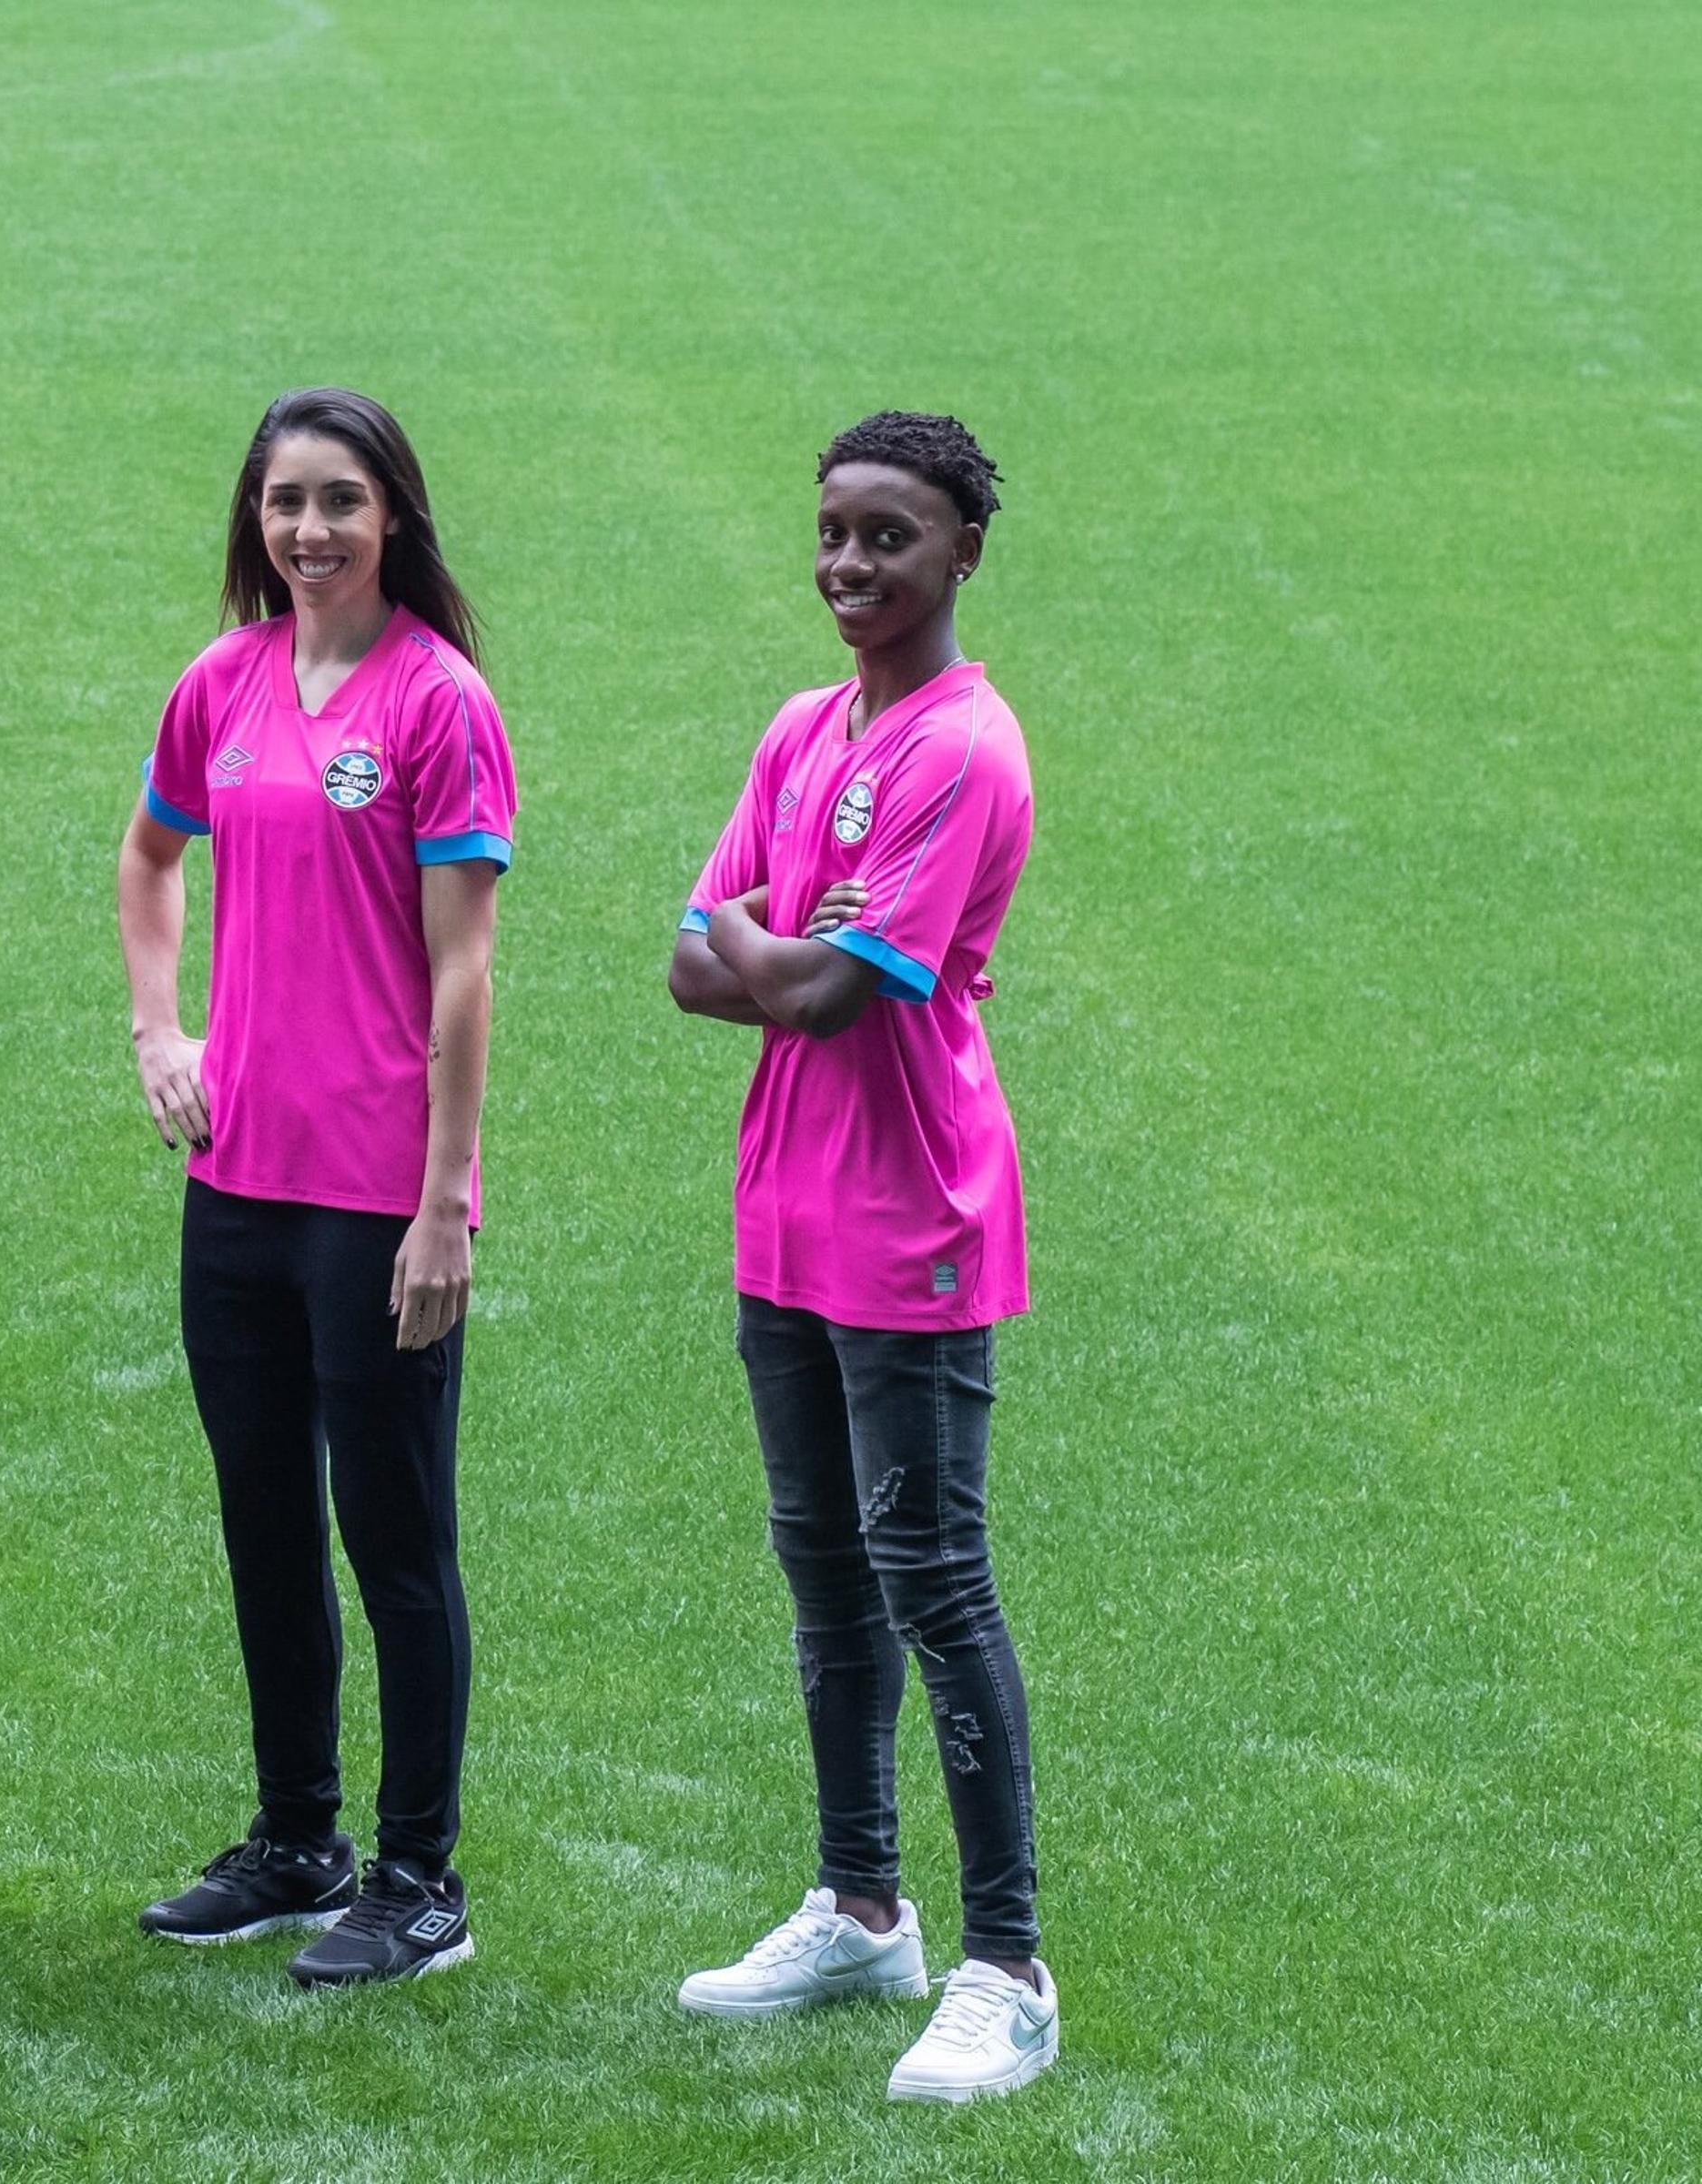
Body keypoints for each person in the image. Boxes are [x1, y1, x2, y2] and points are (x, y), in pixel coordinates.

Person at [664, 411, 1056, 2100]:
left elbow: (817, 992)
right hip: (787, 1211)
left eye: (887, 538)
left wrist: (766, 940)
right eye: (831, 531)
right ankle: (861, 1903)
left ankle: (1009, 1966)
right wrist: (771, 944)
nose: (848, 565)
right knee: (825, 1571)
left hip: (913, 1224)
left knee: (936, 1585)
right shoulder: (802, 725)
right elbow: (692, 965)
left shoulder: (965, 751)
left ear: (963, 551)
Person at [114, 388, 514, 1989]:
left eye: (341, 501)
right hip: (240, 1187)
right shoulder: (222, 683)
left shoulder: (439, 702)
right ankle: (297, 1842)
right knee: (265, 1519)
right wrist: (161, 1033)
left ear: (394, 516)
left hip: (375, 1199)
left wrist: (444, 1201)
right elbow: (150, 860)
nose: (310, 531)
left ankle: (420, 1881)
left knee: (396, 1535)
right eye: (285, 502)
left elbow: (464, 969)